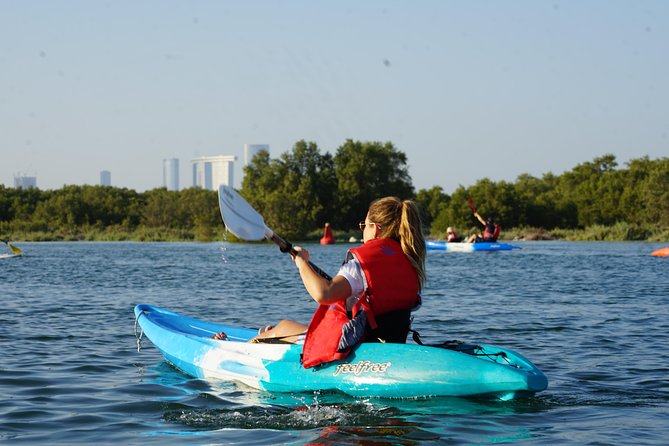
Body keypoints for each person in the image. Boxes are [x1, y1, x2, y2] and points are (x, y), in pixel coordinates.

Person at [217, 196, 426, 369]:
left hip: (355, 348)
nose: (362, 230)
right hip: (389, 345)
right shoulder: (409, 261)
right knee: (287, 327)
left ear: (376, 229)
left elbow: (323, 294)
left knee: (281, 328)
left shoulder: (362, 263)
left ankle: (231, 349)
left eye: (364, 225)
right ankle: (265, 339)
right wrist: (306, 263)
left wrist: (301, 262)